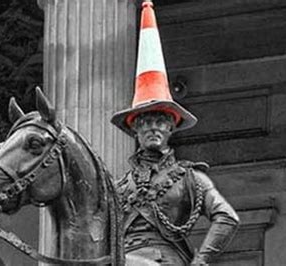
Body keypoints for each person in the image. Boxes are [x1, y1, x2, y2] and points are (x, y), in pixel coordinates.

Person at [110, 1, 239, 265]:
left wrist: (200, 261)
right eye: (145, 122)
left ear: (171, 128)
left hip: (164, 260)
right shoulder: (118, 187)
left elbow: (226, 216)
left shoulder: (191, 177)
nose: (153, 127)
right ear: (135, 129)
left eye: (160, 122)